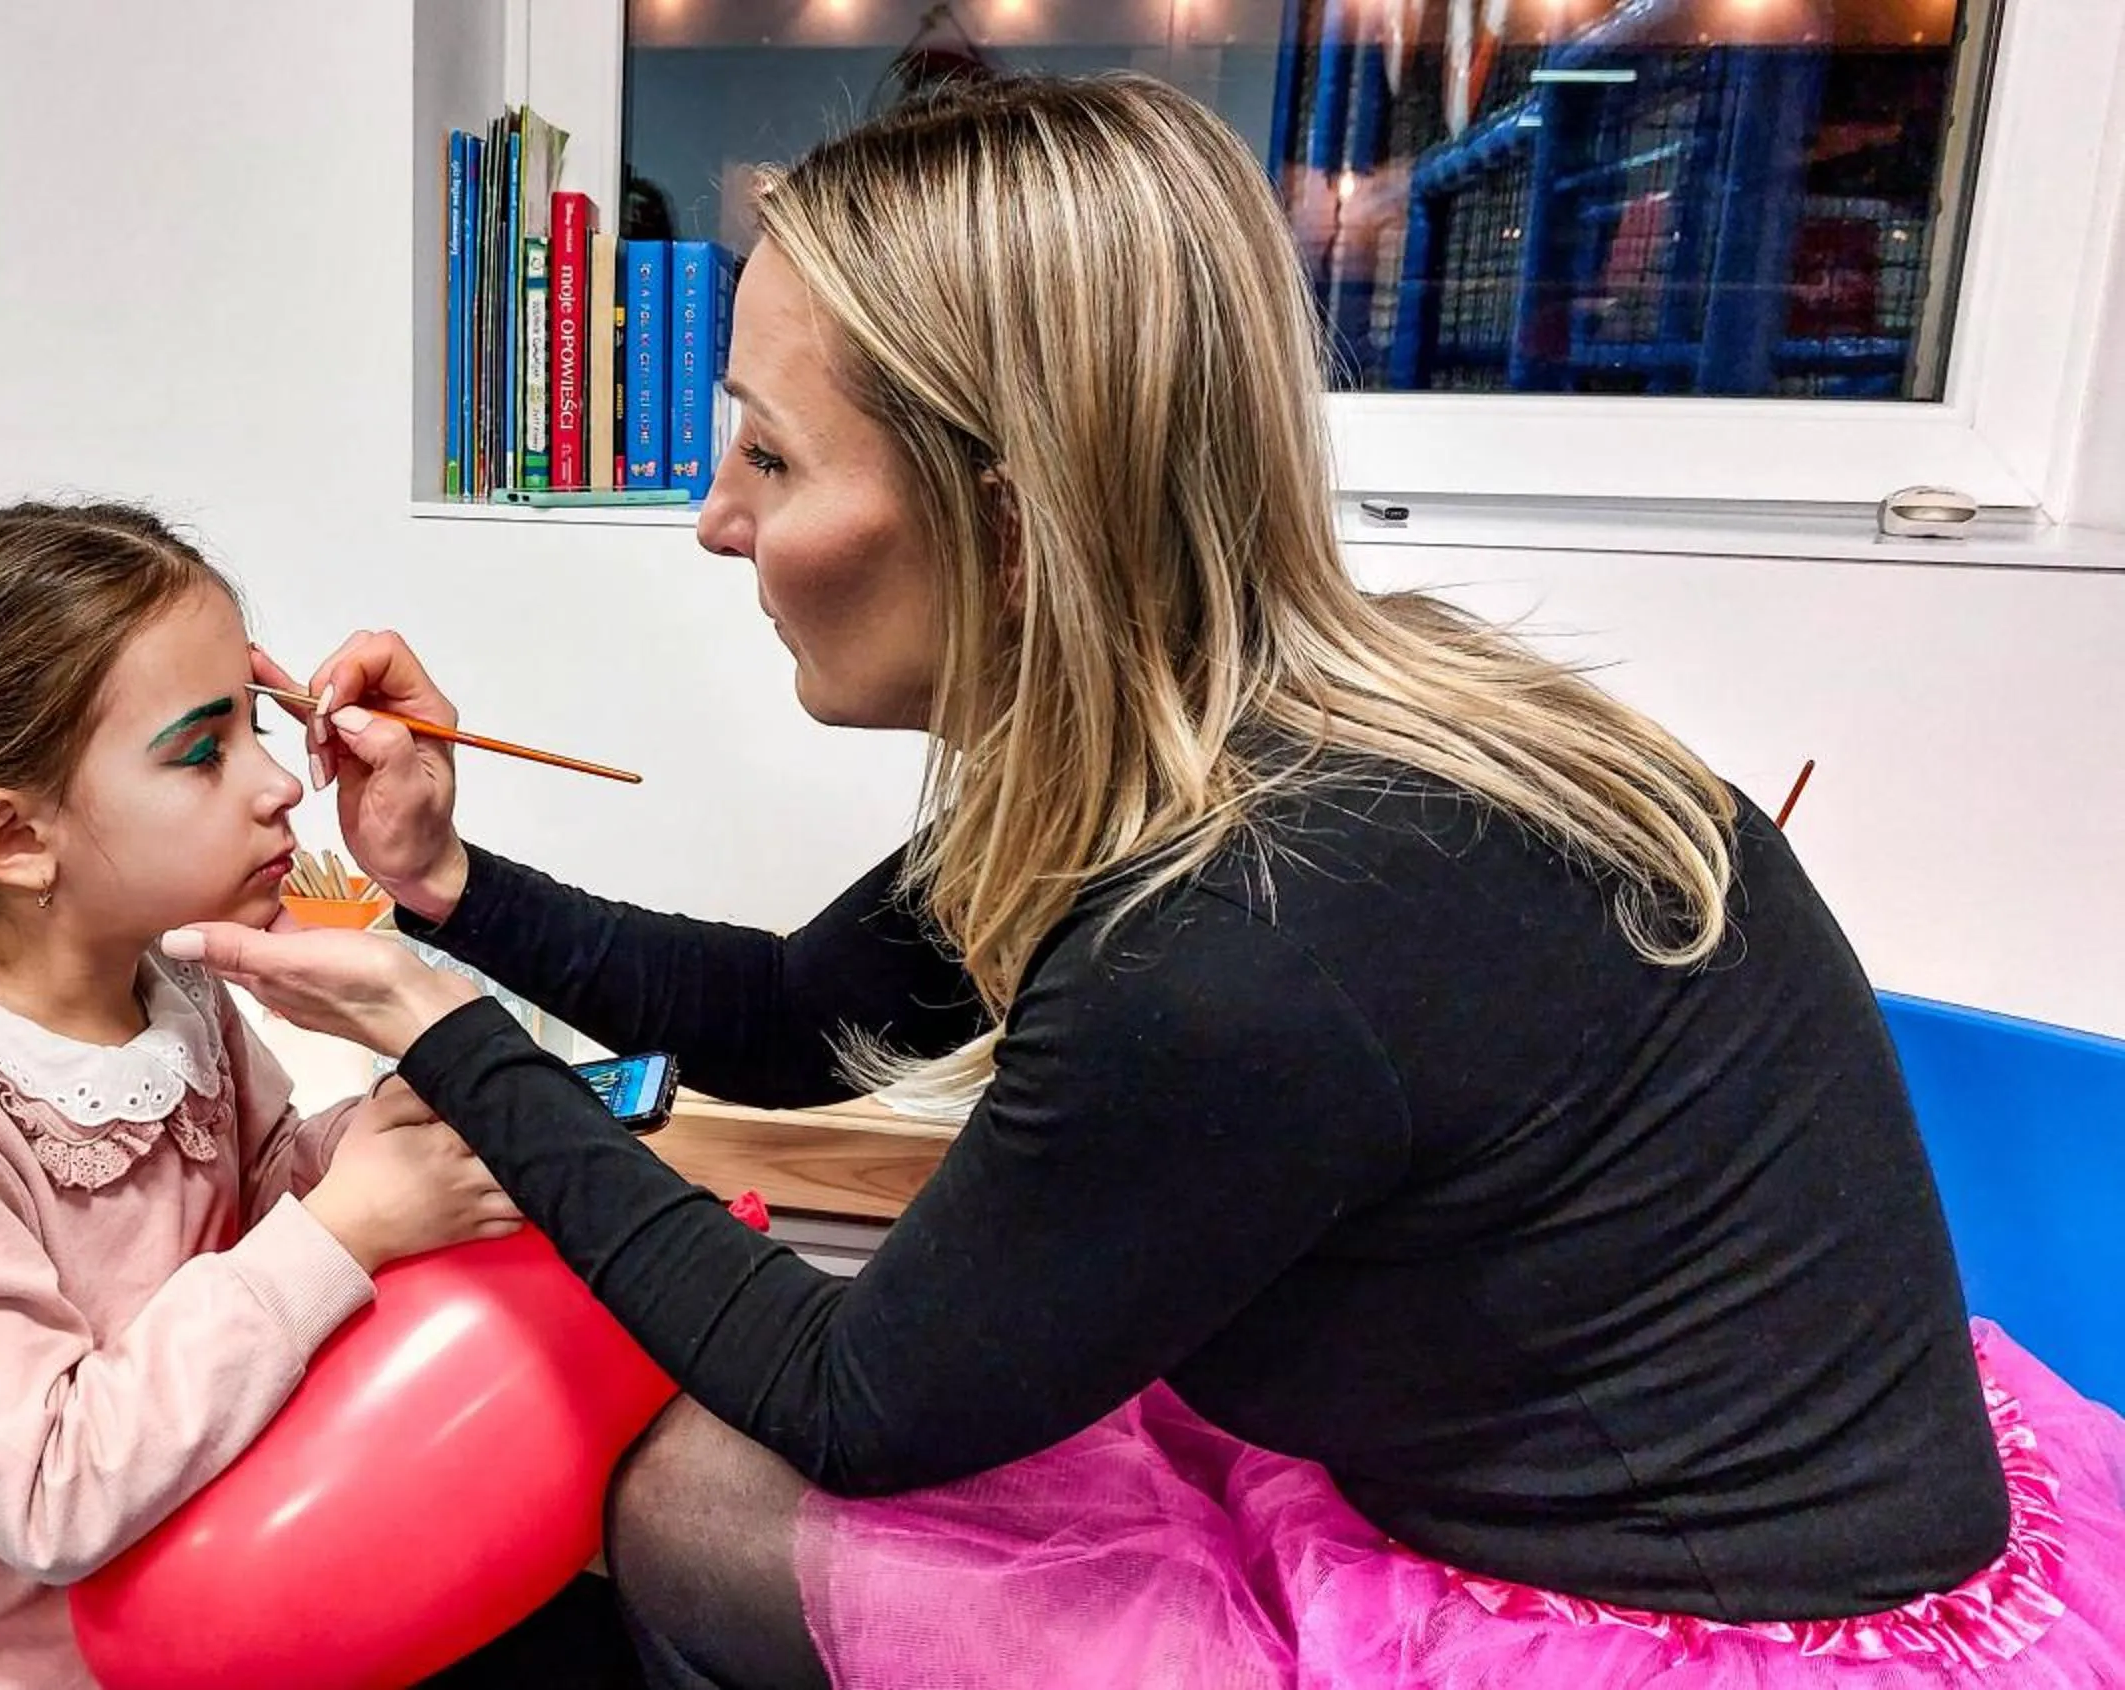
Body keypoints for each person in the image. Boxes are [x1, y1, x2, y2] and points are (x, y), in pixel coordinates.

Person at [166, 75, 2125, 1689]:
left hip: (1693, 1620)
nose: (715, 520)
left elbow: (852, 1396)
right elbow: (799, 1007)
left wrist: (442, 1032)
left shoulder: (1243, 934)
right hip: (1766, 1476)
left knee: (695, 1506)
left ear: (1005, 517)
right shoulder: (1256, 730)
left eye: (767, 453)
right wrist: (437, 875)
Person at [0, 502, 566, 1688]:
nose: (275, 787)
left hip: (217, 1601)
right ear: (13, 836)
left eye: (258, 726)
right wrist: (349, 1224)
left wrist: (400, 1127)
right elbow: (47, 1492)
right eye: (203, 751)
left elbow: (260, 1196)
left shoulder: (170, 990)